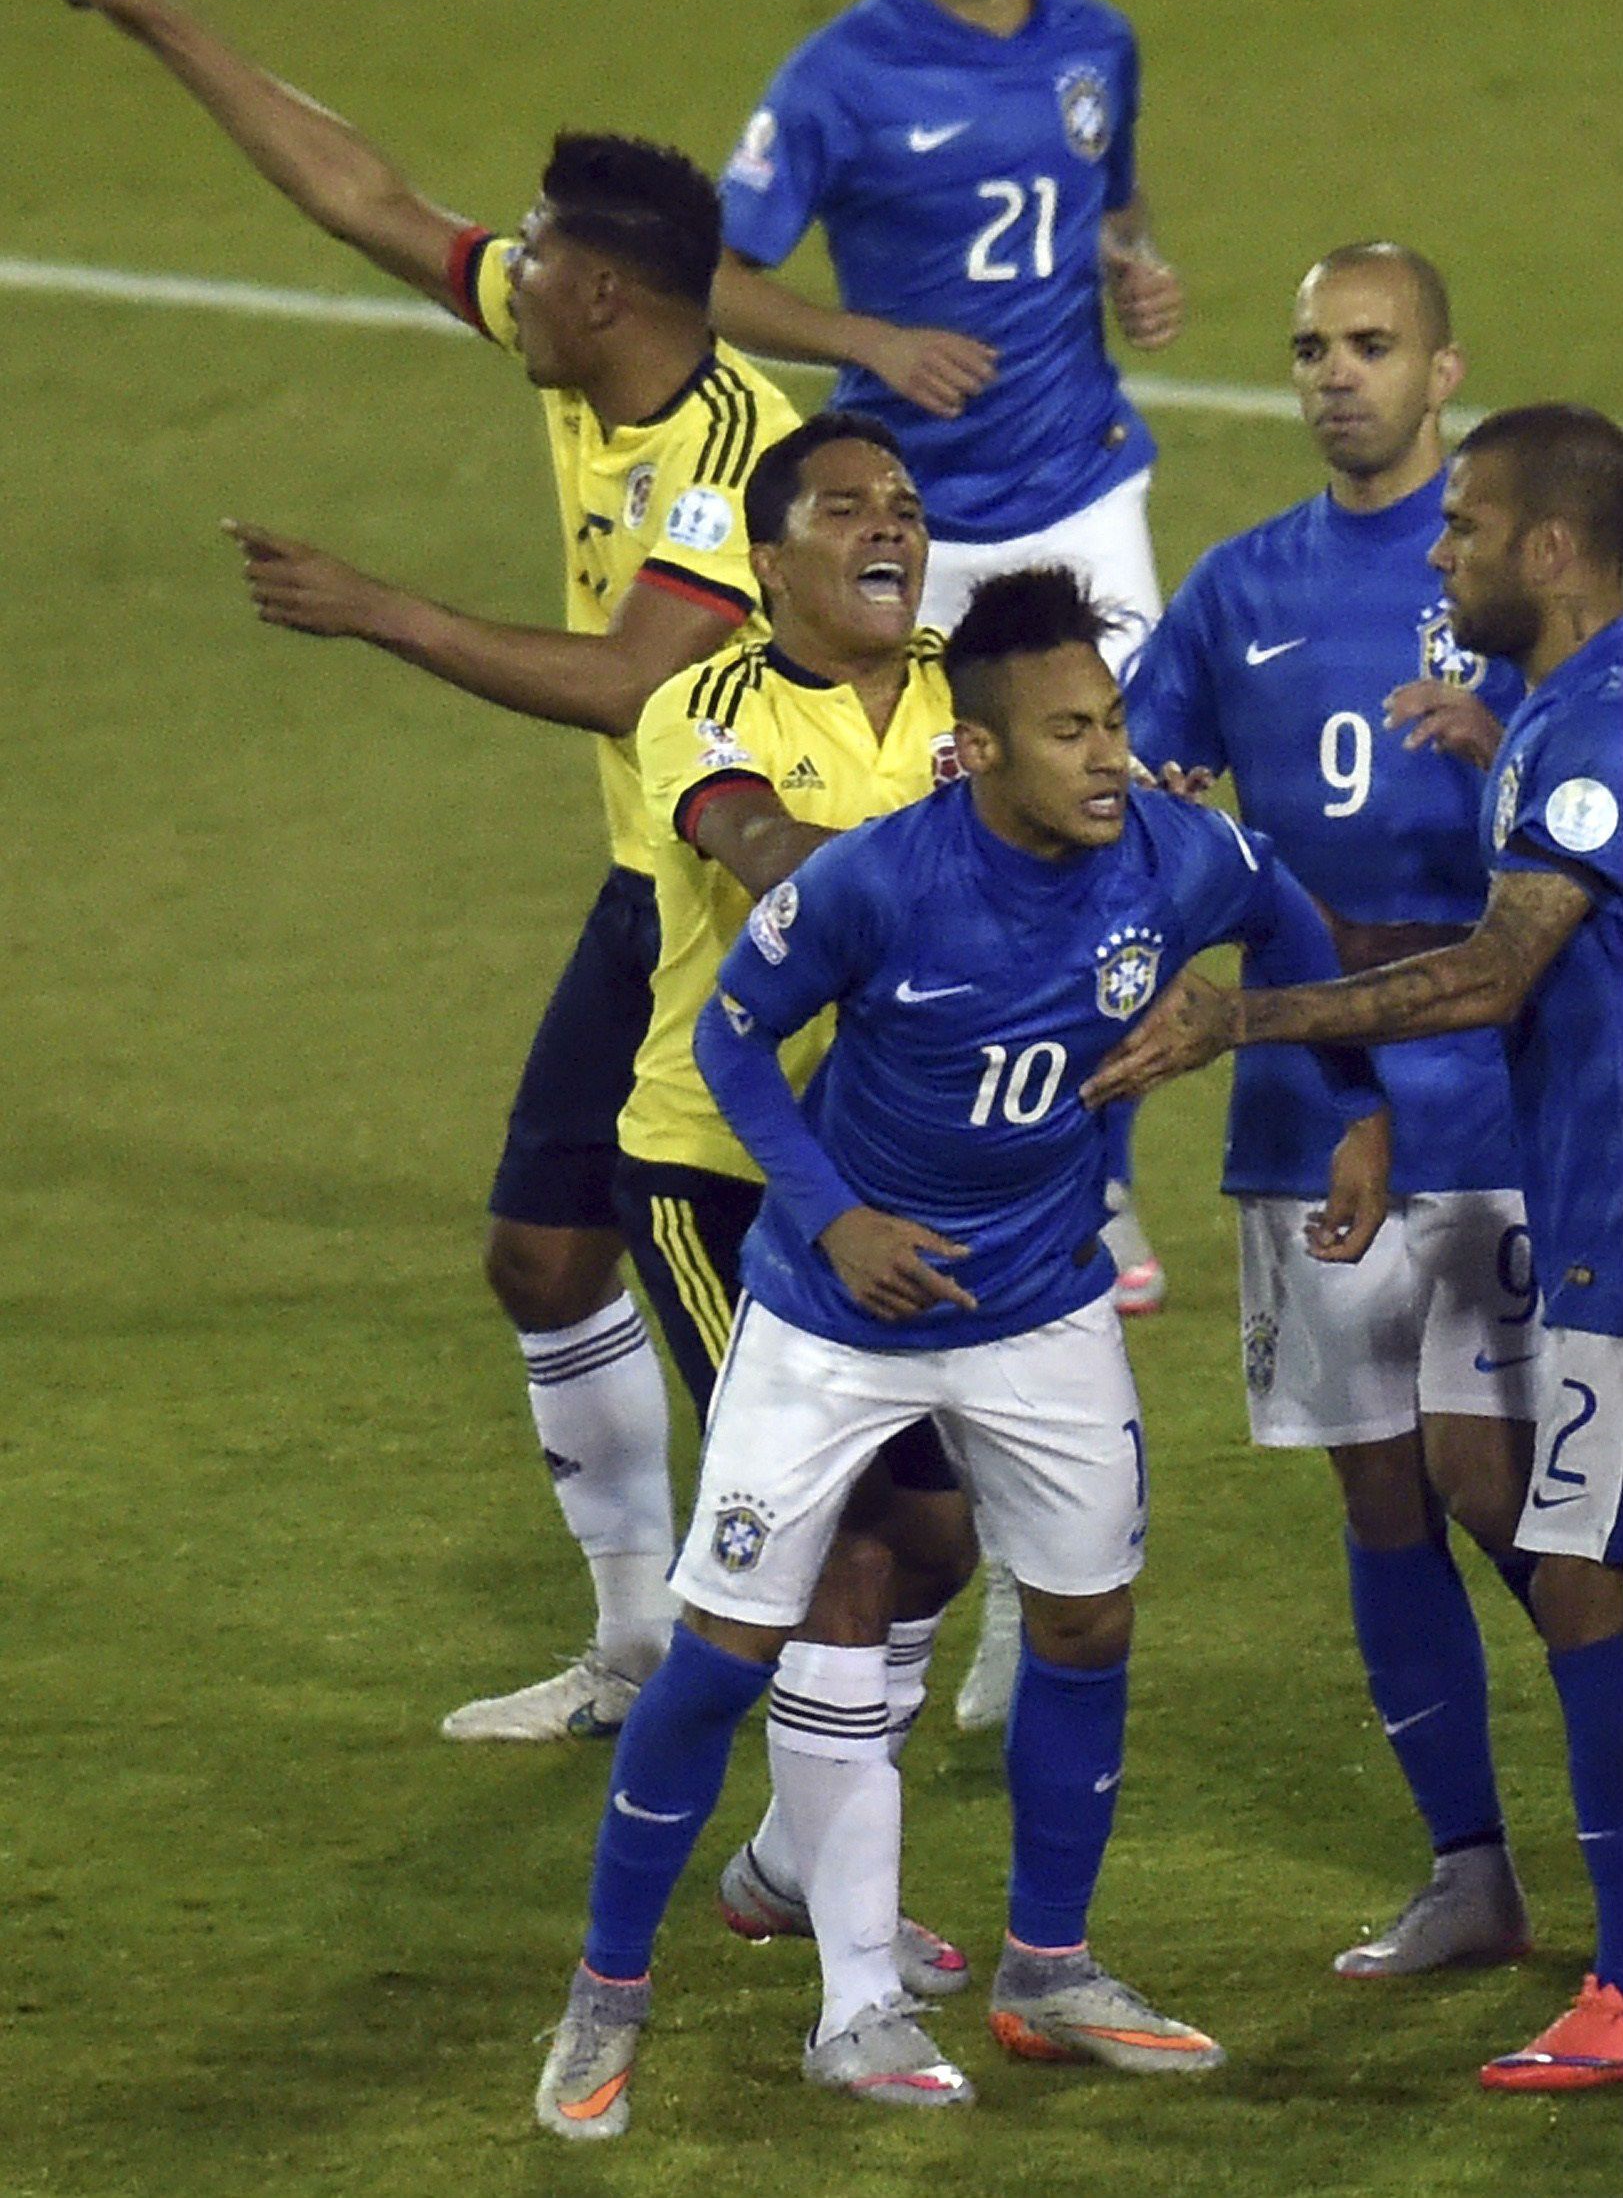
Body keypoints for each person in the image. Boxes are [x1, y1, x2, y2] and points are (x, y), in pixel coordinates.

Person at [20, 0, 801, 1740]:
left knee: (783, 1315)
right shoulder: (590, 353)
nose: (505, 271)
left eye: (532, 256)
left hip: (758, 916)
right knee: (545, 1254)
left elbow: (632, 681)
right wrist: (154, 17)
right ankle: (634, 1645)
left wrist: (382, 609)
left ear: (602, 294)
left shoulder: (732, 455)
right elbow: (368, 200)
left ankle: (899, 1617)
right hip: (646, 886)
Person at [533, 566, 1392, 2137]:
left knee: (1085, 1621)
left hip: (1040, 1309)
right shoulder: (877, 882)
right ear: (980, 750)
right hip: (834, 1319)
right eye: (1070, 733)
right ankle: (607, 1994)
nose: (1109, 758)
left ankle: (1048, 1971)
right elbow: (733, 1034)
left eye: (1116, 723)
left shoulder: (1168, 853)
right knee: (725, 1648)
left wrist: (1352, 1102)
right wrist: (836, 1215)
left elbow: (1287, 920)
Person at [1088, 402, 1623, 2092]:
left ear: (1550, 548)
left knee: (1584, 1565)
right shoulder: (1549, 714)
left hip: (1612, 1213)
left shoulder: (1592, 728)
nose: (1441, 553)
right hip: (1591, 1203)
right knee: (1584, 1563)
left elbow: (1487, 975)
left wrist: (1252, 1016)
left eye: (1467, 528)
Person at [710, 0, 1182, 1725]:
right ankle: (971, 1239)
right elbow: (717, 279)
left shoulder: (1094, 43)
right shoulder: (836, 77)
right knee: (957, 920)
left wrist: (1134, 272)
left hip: (1083, 500)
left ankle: (1096, 1196)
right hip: (930, 537)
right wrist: (870, 341)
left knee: (1108, 846)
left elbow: (1111, 198)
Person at [1122, 243, 1540, 1977]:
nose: (1334, 376)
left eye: (1371, 346)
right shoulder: (1234, 591)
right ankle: (1470, 1872)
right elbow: (1138, 769)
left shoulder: (1510, 577)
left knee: (1509, 1487)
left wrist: (1497, 733)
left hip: (1497, 1087)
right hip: (1299, 1099)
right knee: (1379, 1490)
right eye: (1309, 348)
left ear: (1444, 371)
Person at [618, 405, 980, 2029]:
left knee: (944, 1544)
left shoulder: (972, 684)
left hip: (894, 1185)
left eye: (902, 503)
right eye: (845, 509)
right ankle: (859, 1979)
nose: (887, 526)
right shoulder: (705, 702)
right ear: (770, 565)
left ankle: (786, 1859)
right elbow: (763, 854)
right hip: (723, 1179)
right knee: (839, 1552)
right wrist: (980, 867)